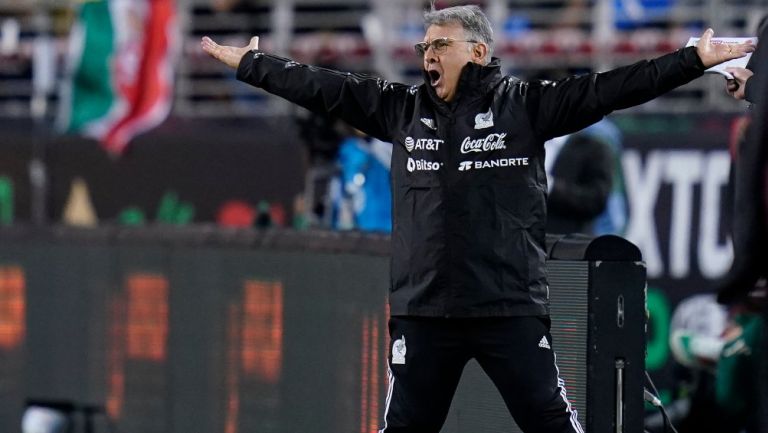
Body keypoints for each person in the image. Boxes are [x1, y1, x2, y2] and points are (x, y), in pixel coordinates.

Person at [201, 4, 753, 432]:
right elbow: (324, 88)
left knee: (551, 424)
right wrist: (254, 65)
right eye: (424, 46)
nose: (428, 56)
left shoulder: (526, 106)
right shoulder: (401, 109)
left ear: (481, 52)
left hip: (506, 309)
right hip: (425, 314)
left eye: (441, 45)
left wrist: (692, 59)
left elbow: (612, 88)